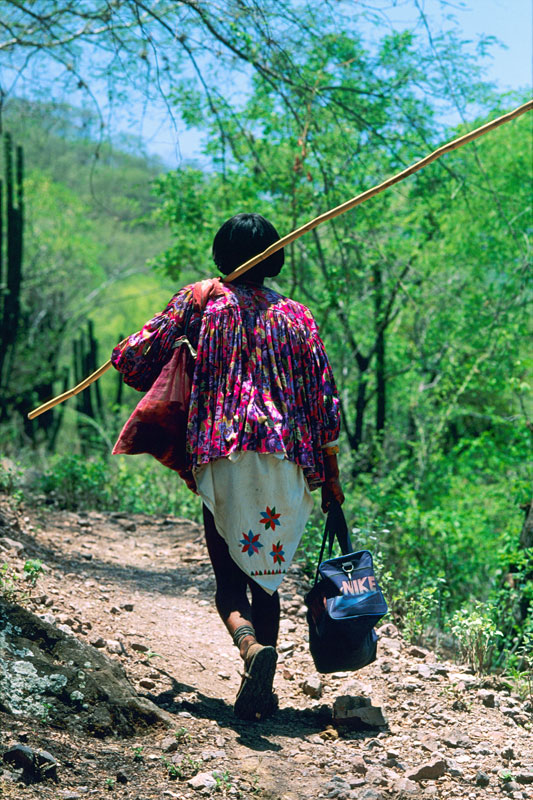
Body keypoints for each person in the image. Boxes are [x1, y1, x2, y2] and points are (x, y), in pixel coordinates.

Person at [111, 213, 344, 720]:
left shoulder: (200, 300)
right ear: (273, 257)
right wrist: (332, 480)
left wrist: (166, 345)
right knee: (267, 576)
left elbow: (133, 361)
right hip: (287, 461)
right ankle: (264, 691)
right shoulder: (299, 318)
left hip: (225, 454)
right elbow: (326, 408)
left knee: (228, 580)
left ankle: (248, 648)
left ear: (222, 254)